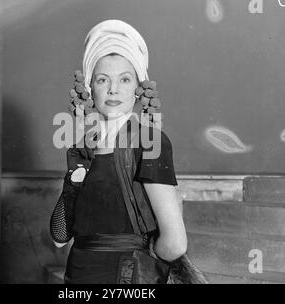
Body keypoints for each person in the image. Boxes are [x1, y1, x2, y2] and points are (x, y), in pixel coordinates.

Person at [50, 19, 188, 284]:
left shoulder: (149, 141)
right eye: (103, 80)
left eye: (125, 79)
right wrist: (72, 182)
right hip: (78, 276)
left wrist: (142, 261)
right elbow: (59, 236)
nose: (113, 89)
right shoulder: (83, 148)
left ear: (138, 89)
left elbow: (175, 243)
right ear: (90, 87)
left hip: (127, 279)